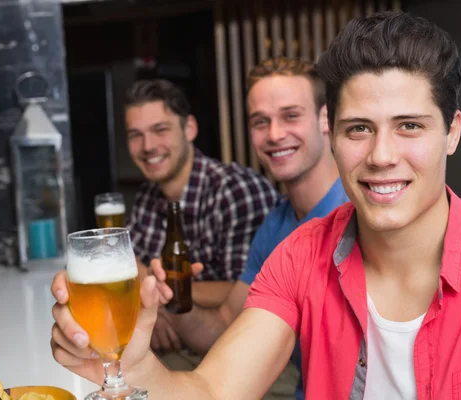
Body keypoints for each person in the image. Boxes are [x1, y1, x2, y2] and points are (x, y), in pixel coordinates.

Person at [50, 11, 461, 399]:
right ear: (332, 133)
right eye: (360, 128)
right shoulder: (298, 254)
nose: (381, 156)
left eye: (410, 126)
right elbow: (212, 390)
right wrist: (134, 367)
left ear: (452, 133)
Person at [149, 57, 348, 400]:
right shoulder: (276, 223)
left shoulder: (361, 211)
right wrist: (174, 298)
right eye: (261, 121)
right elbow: (226, 326)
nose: (274, 134)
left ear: (325, 118)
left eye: (290, 115)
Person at [122, 79, 279, 308]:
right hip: (182, 334)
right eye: (135, 135)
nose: (147, 146)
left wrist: (160, 295)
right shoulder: (148, 195)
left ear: (190, 129)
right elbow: (126, 263)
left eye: (160, 130)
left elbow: (248, 290)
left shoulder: (235, 190)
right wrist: (160, 308)